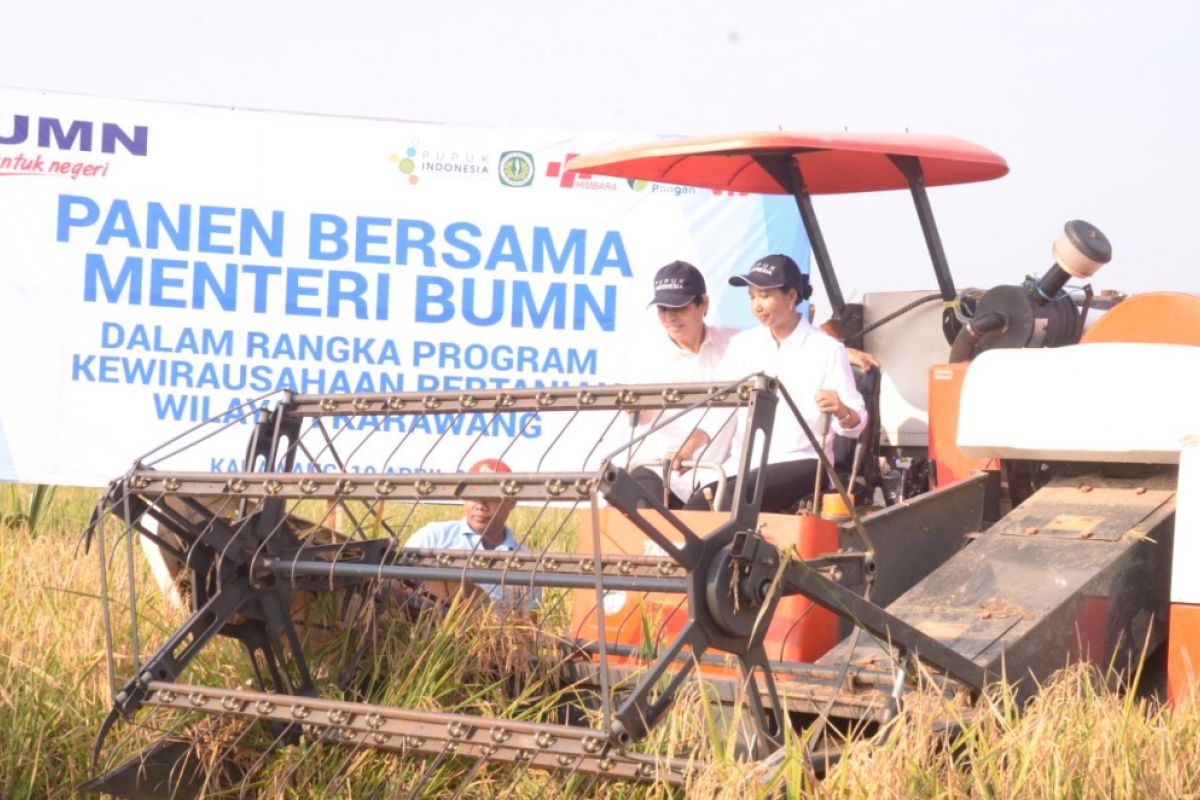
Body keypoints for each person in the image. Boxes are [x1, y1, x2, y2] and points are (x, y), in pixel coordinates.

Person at [682, 254, 867, 513]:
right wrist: (689, 447)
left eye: (765, 296)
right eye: (752, 296)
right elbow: (718, 407)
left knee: (732, 499)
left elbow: (856, 424)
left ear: (791, 297)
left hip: (803, 462)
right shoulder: (742, 345)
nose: (757, 306)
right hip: (743, 466)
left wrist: (841, 410)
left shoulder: (827, 349)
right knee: (692, 513)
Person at [625, 260, 737, 508]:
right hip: (656, 471)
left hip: (717, 474)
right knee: (640, 520)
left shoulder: (736, 345)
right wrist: (634, 408)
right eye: (663, 309)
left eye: (679, 307)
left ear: (704, 304)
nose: (670, 317)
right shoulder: (645, 356)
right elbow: (639, 419)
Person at [403, 458, 538, 613]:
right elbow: (398, 590)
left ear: (512, 501)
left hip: (492, 637)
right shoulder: (433, 537)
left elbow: (527, 626)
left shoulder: (525, 561)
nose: (480, 505)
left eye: (491, 497)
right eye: (473, 495)